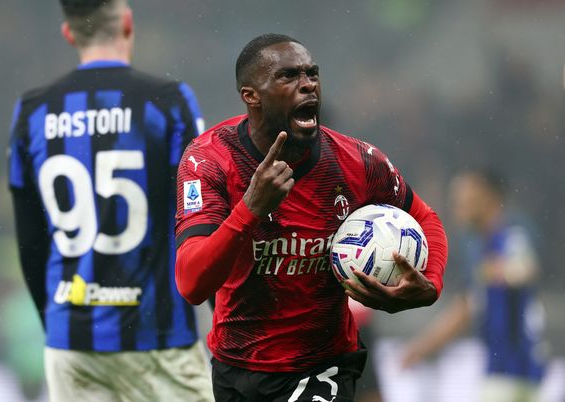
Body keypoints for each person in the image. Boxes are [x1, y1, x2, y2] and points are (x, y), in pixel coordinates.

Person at [174, 33, 449, 402]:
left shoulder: (358, 162)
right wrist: (251, 208)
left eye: (312, 74)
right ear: (250, 96)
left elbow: (424, 217)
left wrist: (431, 283)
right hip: (236, 366)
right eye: (288, 76)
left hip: (323, 364)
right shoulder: (209, 160)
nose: (308, 85)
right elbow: (191, 283)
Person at [7, 1, 213, 401]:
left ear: (69, 34)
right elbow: (200, 214)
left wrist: (56, 324)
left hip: (72, 340)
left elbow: (30, 240)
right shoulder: (169, 101)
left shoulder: (33, 110)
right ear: (128, 23)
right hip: (159, 334)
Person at [401, 168, 547, 402]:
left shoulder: (511, 233)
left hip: (517, 366)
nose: (457, 204)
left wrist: (503, 271)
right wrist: (424, 346)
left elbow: (525, 269)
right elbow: (467, 307)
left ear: (487, 196)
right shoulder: (478, 246)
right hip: (501, 368)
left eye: (463, 196)